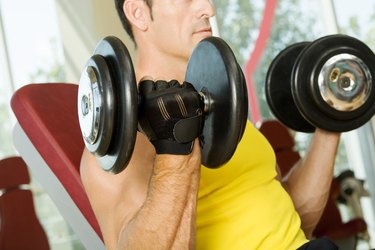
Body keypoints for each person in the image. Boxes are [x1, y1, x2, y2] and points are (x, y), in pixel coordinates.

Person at [80, 0, 341, 249]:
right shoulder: (116, 143)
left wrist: (331, 122)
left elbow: (296, 219)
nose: (208, 9)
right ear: (138, 12)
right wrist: (174, 149)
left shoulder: (223, 105)